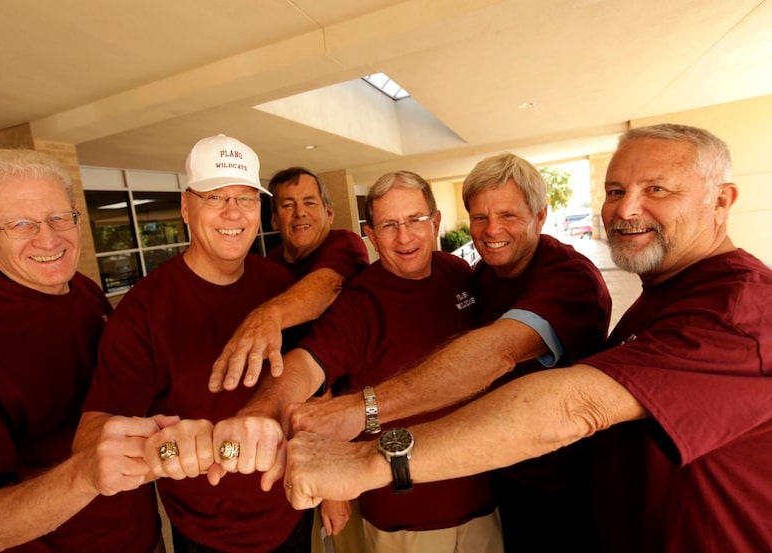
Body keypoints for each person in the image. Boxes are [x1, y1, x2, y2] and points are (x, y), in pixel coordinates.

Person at [284, 123, 772, 552]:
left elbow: (558, 392)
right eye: (615, 189)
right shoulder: (474, 275)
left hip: (570, 501)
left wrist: (367, 444)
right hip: (517, 492)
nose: (627, 208)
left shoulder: (738, 310)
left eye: (659, 189)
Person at [289, 152, 612, 549]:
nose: (492, 229)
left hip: (556, 492)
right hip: (423, 507)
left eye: (508, 215)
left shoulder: (564, 278)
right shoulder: (474, 277)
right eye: (480, 217)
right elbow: (317, 378)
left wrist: (365, 408)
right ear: (370, 235)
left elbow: (496, 354)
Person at [76, 134, 312, 553]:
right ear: (186, 207)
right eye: (215, 197)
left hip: (291, 506)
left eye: (245, 198)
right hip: (206, 531)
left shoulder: (280, 288)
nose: (233, 212)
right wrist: (162, 442)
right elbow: (90, 439)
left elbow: (314, 383)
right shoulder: (143, 310)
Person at [0, 149, 164, 552]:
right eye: (20, 224)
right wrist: (85, 474)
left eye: (59, 217)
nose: (49, 238)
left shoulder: (84, 289)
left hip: (142, 535)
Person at [284, 171, 501, 552]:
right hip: (403, 510)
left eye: (415, 220)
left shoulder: (458, 273)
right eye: (389, 225)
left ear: (435, 222)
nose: (405, 237)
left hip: (479, 494)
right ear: (370, 234)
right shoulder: (358, 303)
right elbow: (314, 378)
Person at [209, 167, 368, 393]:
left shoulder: (345, 243)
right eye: (287, 205)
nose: (299, 212)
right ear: (274, 220)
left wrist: (267, 316)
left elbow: (328, 286)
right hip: (289, 389)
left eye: (310, 202)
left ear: (329, 214)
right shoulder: (271, 262)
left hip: (351, 392)